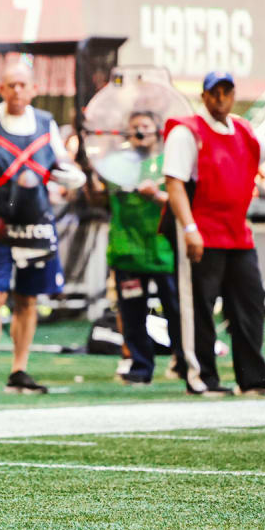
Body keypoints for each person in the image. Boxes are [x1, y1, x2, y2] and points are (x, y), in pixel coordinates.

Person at [0, 63, 86, 396]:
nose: (17, 90)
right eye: (11, 85)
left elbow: (59, 165)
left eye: (22, 85)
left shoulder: (46, 124)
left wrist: (73, 177)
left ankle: (19, 369)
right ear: (1, 89)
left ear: (33, 89)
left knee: (28, 298)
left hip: (36, 219)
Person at [163, 71, 265, 396]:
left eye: (227, 91)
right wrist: (189, 228)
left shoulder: (243, 129)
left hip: (237, 232)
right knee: (198, 306)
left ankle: (253, 379)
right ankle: (202, 378)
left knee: (250, 303)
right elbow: (174, 183)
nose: (222, 98)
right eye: (216, 92)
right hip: (202, 231)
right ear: (205, 96)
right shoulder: (188, 132)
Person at [91, 110, 179, 386]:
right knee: (132, 315)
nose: (141, 131)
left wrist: (157, 196)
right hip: (127, 252)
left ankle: (184, 362)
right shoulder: (114, 164)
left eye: (146, 126)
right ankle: (140, 366)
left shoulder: (169, 164)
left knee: (176, 310)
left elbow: (181, 202)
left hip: (163, 252)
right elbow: (97, 194)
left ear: (157, 131)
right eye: (135, 127)